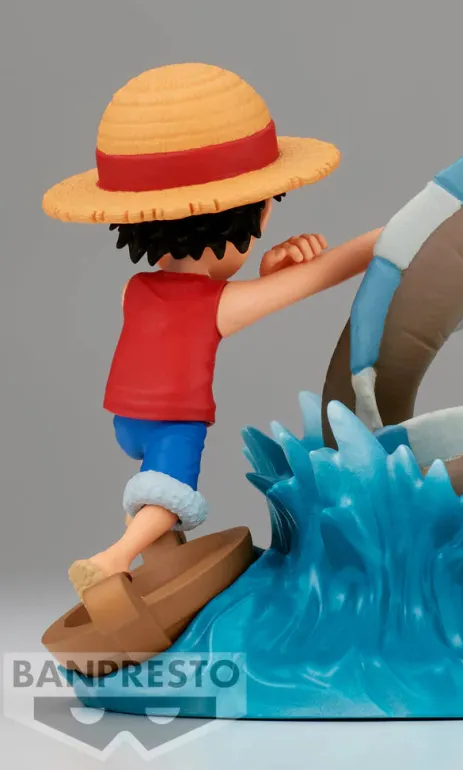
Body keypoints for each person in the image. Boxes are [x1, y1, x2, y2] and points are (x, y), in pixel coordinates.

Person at [42, 62, 380, 595]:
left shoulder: (134, 288)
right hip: (173, 423)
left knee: (157, 483)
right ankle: (114, 558)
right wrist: (403, 230)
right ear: (254, 215)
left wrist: (264, 276)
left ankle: (162, 563)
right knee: (169, 490)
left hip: (125, 422)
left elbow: (186, 307)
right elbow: (324, 273)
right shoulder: (218, 305)